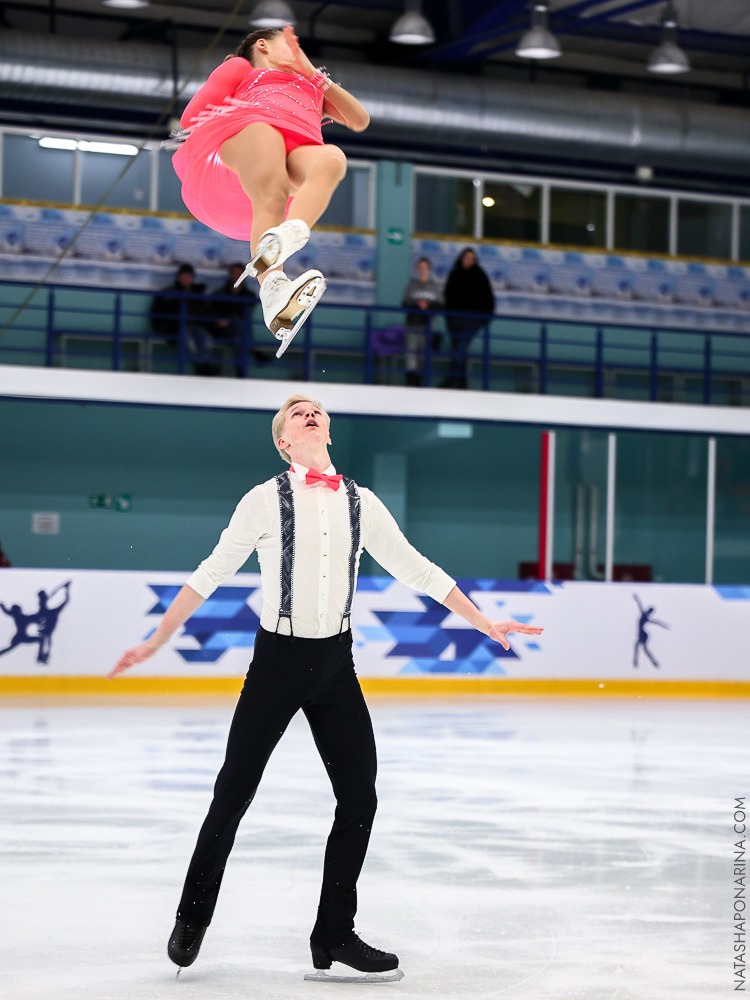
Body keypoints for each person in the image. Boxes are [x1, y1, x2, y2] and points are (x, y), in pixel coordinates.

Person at [108, 393, 543, 982]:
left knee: (360, 796)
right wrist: (159, 637)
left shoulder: (362, 503)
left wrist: (485, 621)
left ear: (328, 432)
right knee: (233, 793)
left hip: (337, 665)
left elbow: (416, 568)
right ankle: (192, 917)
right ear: (283, 440)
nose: (308, 412)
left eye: (316, 409)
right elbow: (211, 572)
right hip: (277, 662)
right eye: (295, 412)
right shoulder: (263, 501)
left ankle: (333, 933)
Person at [171, 25, 370, 353]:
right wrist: (238, 103)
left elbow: (359, 120)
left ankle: (285, 255)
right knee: (268, 154)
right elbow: (190, 118)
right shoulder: (242, 69)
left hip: (293, 150)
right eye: (291, 44)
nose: (298, 50)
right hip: (241, 146)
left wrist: (313, 74)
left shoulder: (313, 85)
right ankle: (272, 280)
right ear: (262, 45)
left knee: (332, 159)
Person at [149, 263, 220, 376]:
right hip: (176, 327)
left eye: (189, 276)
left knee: (207, 338)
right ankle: (201, 367)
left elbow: (205, 312)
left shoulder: (197, 294)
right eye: (184, 275)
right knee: (187, 339)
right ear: (178, 276)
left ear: (193, 278)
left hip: (195, 326)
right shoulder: (168, 293)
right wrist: (163, 327)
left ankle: (200, 366)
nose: (186, 278)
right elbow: (156, 313)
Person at [442, 247, 495, 389]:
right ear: (461, 258)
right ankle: (461, 383)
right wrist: (448, 317)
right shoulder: (454, 274)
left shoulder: (480, 275)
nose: (469, 261)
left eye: (472, 258)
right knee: (458, 349)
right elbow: (447, 296)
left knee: (460, 347)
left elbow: (488, 298)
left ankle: (453, 381)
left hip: (472, 318)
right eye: (466, 258)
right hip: (455, 319)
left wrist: (485, 318)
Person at [209, 263, 270, 376]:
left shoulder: (249, 296)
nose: (236, 276)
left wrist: (231, 320)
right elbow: (213, 314)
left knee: (240, 332)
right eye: (234, 273)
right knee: (241, 332)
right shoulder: (219, 294)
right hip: (223, 331)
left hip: (239, 331)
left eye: (239, 274)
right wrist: (219, 320)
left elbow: (245, 315)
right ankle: (252, 353)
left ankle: (242, 365)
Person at [401, 257, 443, 387]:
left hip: (428, 325)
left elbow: (440, 305)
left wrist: (428, 306)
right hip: (412, 324)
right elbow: (404, 304)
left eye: (425, 267)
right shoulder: (411, 285)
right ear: (417, 269)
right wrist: (417, 304)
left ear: (429, 269)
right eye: (420, 267)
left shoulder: (434, 287)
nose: (422, 270)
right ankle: (411, 382)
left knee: (423, 356)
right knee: (411, 353)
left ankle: (421, 383)